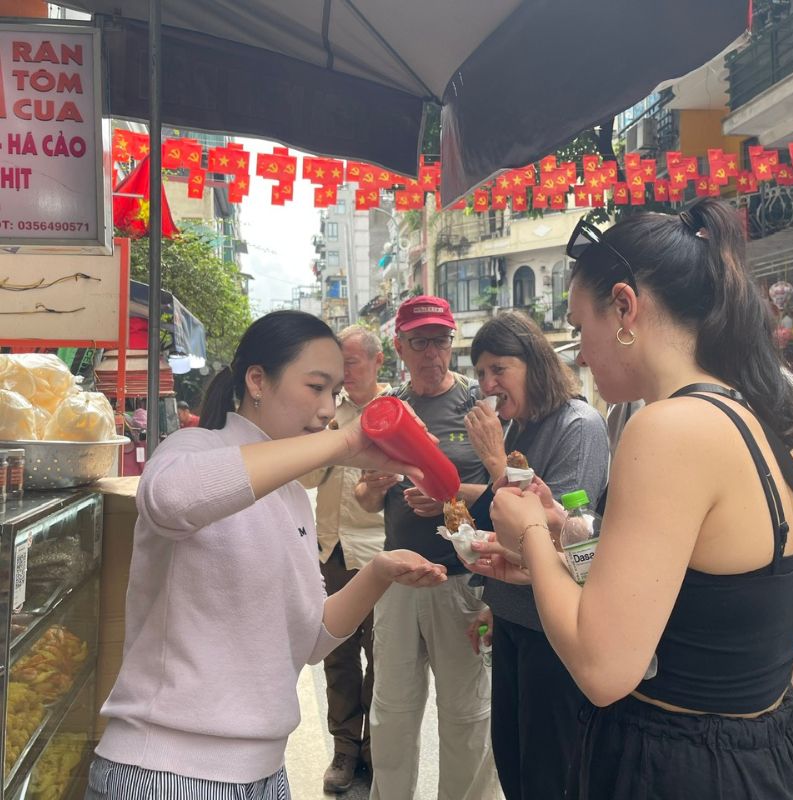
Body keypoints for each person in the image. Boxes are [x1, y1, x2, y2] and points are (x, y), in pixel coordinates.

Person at [472, 199, 793, 799]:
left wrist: (535, 535)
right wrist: (566, 539)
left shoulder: (668, 428)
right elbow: (695, 598)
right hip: (761, 750)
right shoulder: (756, 416)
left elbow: (602, 668)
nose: (580, 349)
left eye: (579, 327)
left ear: (624, 307)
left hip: (679, 762)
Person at [85, 310, 447, 800]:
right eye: (315, 387)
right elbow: (169, 499)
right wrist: (341, 443)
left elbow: (312, 638)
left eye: (336, 393)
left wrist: (381, 570)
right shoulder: (193, 447)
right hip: (166, 770)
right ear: (257, 380)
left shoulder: (292, 496)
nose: (327, 409)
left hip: (263, 773)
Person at [354, 295, 499, 800]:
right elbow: (365, 497)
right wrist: (372, 488)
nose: (432, 352)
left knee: (466, 714)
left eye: (439, 340)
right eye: (420, 342)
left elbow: (506, 490)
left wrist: (448, 497)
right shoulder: (387, 411)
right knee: (392, 712)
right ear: (399, 347)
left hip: (463, 582)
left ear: (451, 340)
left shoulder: (479, 407)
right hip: (398, 581)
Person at [461, 311, 608, 800]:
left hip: (554, 630)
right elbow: (505, 532)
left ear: (534, 363)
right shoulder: (519, 428)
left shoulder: (579, 425)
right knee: (510, 757)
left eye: (499, 369)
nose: (488, 383)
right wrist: (491, 602)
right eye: (480, 372)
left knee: (549, 770)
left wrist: (495, 462)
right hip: (512, 620)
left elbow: (564, 536)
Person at [299, 325, 390, 793]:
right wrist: (331, 431)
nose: (344, 373)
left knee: (381, 660)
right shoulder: (329, 413)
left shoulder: (394, 412)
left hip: (374, 553)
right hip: (329, 550)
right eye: (339, 365)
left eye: (351, 363)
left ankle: (375, 751)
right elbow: (308, 478)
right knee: (337, 657)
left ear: (376, 363)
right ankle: (345, 750)